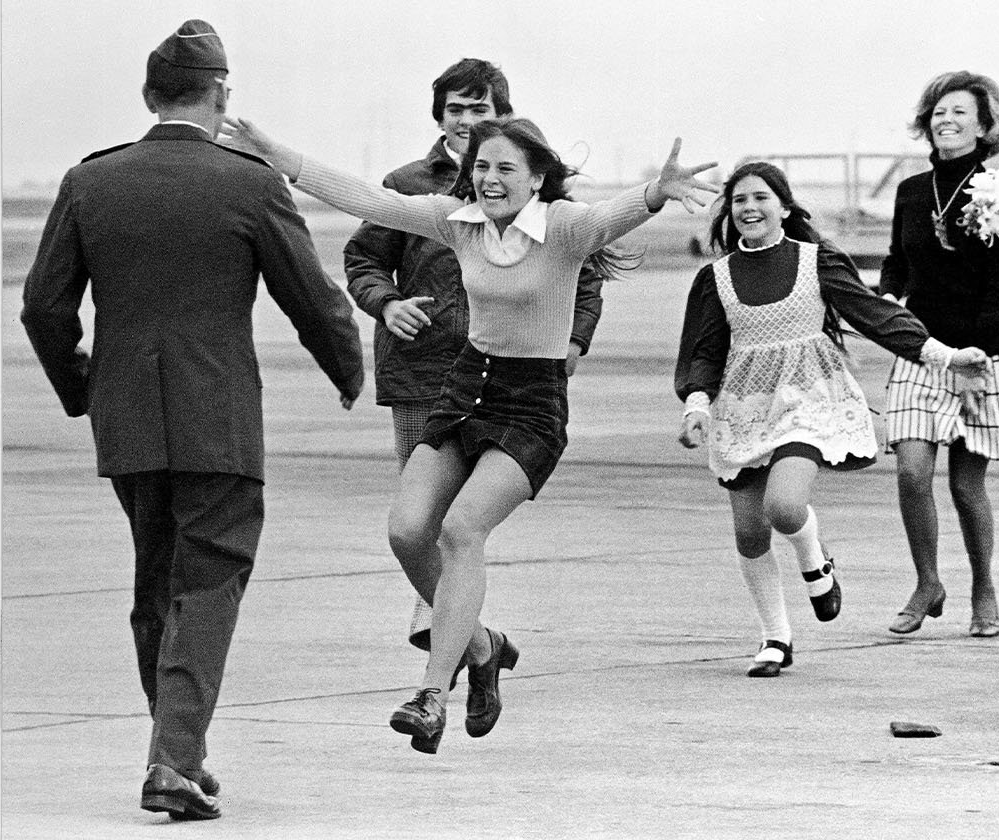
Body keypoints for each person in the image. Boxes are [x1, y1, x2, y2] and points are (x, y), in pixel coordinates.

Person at [221, 113, 716, 753]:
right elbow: (363, 197)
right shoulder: (457, 224)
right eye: (481, 166)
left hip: (532, 404)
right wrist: (274, 152)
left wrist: (658, 190)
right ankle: (482, 647)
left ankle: (432, 697)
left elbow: (620, 213)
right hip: (465, 389)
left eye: (506, 168)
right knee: (405, 530)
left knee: (461, 530)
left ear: (537, 177)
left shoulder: (564, 230)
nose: (489, 179)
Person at [20, 20, 363, 820]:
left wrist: (83, 385)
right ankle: (173, 759)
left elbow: (42, 306)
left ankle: (177, 751)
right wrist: (348, 368)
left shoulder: (88, 181)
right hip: (219, 423)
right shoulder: (248, 182)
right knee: (209, 582)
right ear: (221, 95)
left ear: (149, 96)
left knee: (157, 586)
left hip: (128, 420)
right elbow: (309, 296)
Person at [675, 162, 990, 676]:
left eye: (761, 198)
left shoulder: (814, 261)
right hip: (744, 409)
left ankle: (812, 557)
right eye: (738, 201)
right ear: (729, 213)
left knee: (784, 504)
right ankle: (776, 638)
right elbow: (703, 352)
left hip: (810, 401)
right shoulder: (716, 278)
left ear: (785, 207)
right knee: (750, 536)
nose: (749, 208)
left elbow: (876, 314)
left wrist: (947, 356)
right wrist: (696, 406)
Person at [341, 58, 607, 658]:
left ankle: (450, 644)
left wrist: (573, 341)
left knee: (459, 526)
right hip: (424, 370)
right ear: (439, 117)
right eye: (455, 109)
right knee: (418, 520)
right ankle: (468, 641)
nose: (465, 120)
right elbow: (361, 260)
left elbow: (585, 280)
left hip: (513, 380)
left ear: (501, 116)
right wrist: (386, 304)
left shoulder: (527, 190)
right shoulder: (411, 184)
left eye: (479, 109)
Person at [877, 71, 999, 638]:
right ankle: (928, 582)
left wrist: (971, 356)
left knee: (966, 485)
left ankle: (983, 586)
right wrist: (883, 305)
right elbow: (898, 265)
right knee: (911, 471)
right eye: (939, 112)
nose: (946, 121)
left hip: (983, 354)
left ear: (984, 125)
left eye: (959, 113)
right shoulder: (910, 191)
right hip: (923, 351)